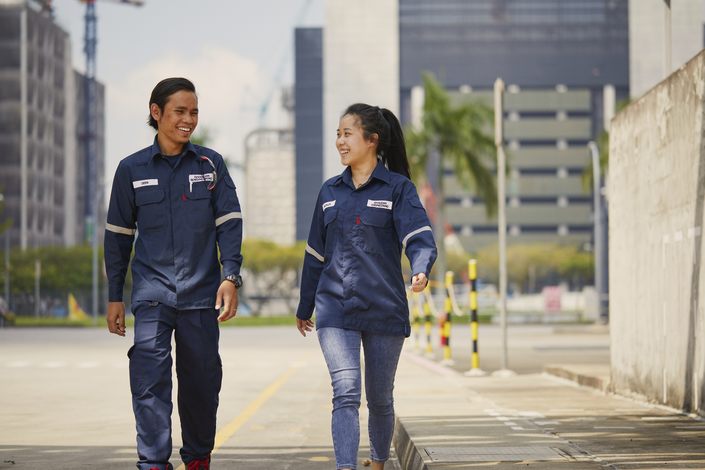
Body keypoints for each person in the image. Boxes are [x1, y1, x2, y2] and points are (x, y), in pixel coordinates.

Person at [104, 77, 243, 470]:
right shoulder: (130, 169)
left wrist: (231, 276)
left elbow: (229, 223)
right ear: (156, 113)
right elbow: (117, 238)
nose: (188, 119)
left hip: (202, 295)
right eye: (180, 111)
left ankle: (198, 457)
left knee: (201, 384)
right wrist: (115, 295)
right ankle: (152, 462)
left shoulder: (210, 164)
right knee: (149, 379)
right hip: (152, 294)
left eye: (194, 112)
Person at [296, 103, 437, 470]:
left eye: (347, 134)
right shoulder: (329, 192)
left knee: (379, 399)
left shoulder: (397, 189)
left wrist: (420, 268)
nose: (340, 141)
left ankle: (377, 463)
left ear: (372, 140)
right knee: (345, 391)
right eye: (338, 134)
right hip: (335, 308)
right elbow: (314, 253)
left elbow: (419, 235)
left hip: (384, 307)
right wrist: (304, 305)